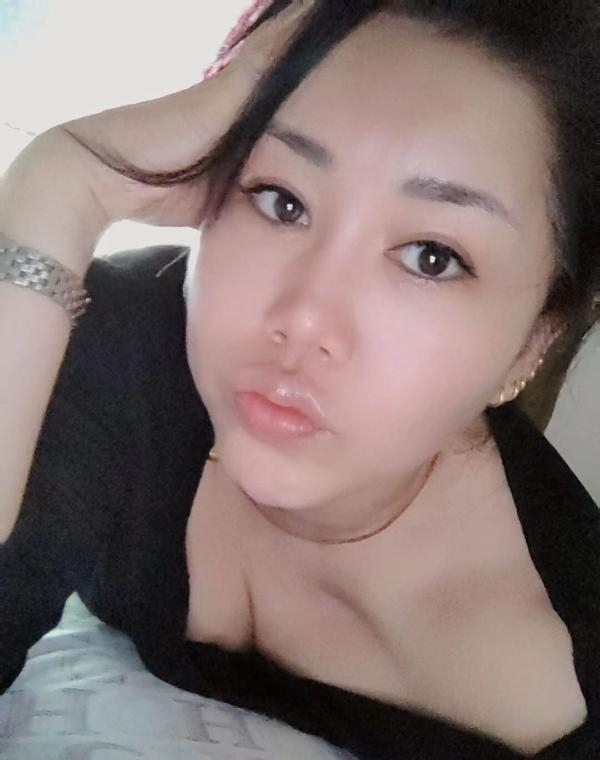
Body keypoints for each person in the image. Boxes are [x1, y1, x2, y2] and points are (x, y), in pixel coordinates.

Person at [1, 0, 599, 757]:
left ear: (529, 347)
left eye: (432, 258)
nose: (305, 318)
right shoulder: (115, 335)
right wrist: (62, 182)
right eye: (281, 200)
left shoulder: (560, 682)